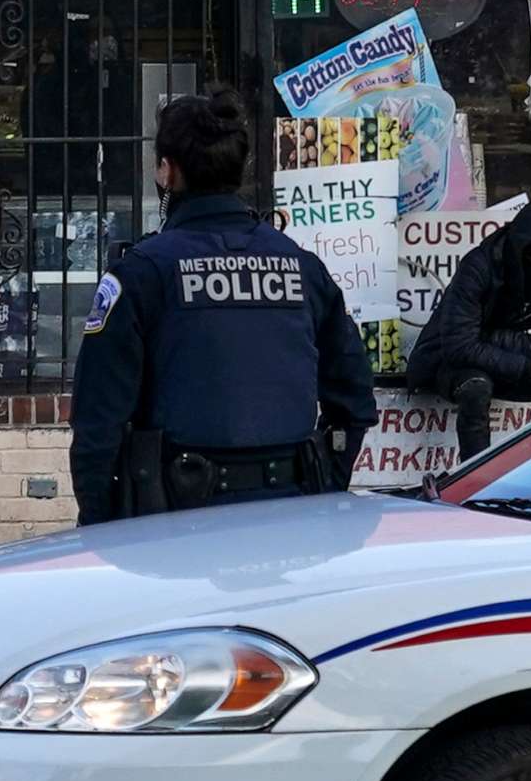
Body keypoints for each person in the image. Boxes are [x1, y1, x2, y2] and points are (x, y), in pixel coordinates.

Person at [70, 88, 376, 523]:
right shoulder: (303, 269)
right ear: (240, 168)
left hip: (173, 526)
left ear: (166, 172)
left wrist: (102, 527)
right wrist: (323, 482)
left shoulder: (141, 275)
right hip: (292, 519)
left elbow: (97, 425)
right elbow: (355, 401)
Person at [407, 205, 531, 461]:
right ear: (518, 252)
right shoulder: (479, 266)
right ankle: (475, 478)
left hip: (499, 361)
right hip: (446, 361)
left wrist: (489, 340)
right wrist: (529, 366)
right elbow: (458, 347)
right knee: (476, 386)